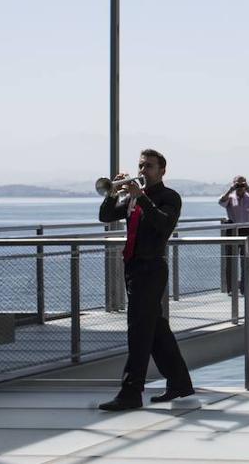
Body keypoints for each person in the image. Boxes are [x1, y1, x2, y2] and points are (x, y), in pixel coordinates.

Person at [97, 148, 194, 411]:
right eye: (141, 166)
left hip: (152, 268)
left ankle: (131, 391)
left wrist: (142, 200)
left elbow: (163, 225)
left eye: (149, 166)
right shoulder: (132, 197)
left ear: (162, 171)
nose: (143, 171)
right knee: (155, 327)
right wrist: (113, 192)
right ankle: (179, 382)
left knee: (139, 331)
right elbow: (105, 216)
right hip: (133, 267)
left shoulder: (169, 197)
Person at [219, 176, 249, 293]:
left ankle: (245, 288)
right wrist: (230, 190)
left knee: (246, 261)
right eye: (237, 184)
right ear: (233, 184)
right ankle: (231, 289)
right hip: (233, 231)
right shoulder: (230, 197)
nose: (240, 187)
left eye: (242, 184)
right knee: (230, 261)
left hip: (247, 230)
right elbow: (221, 202)